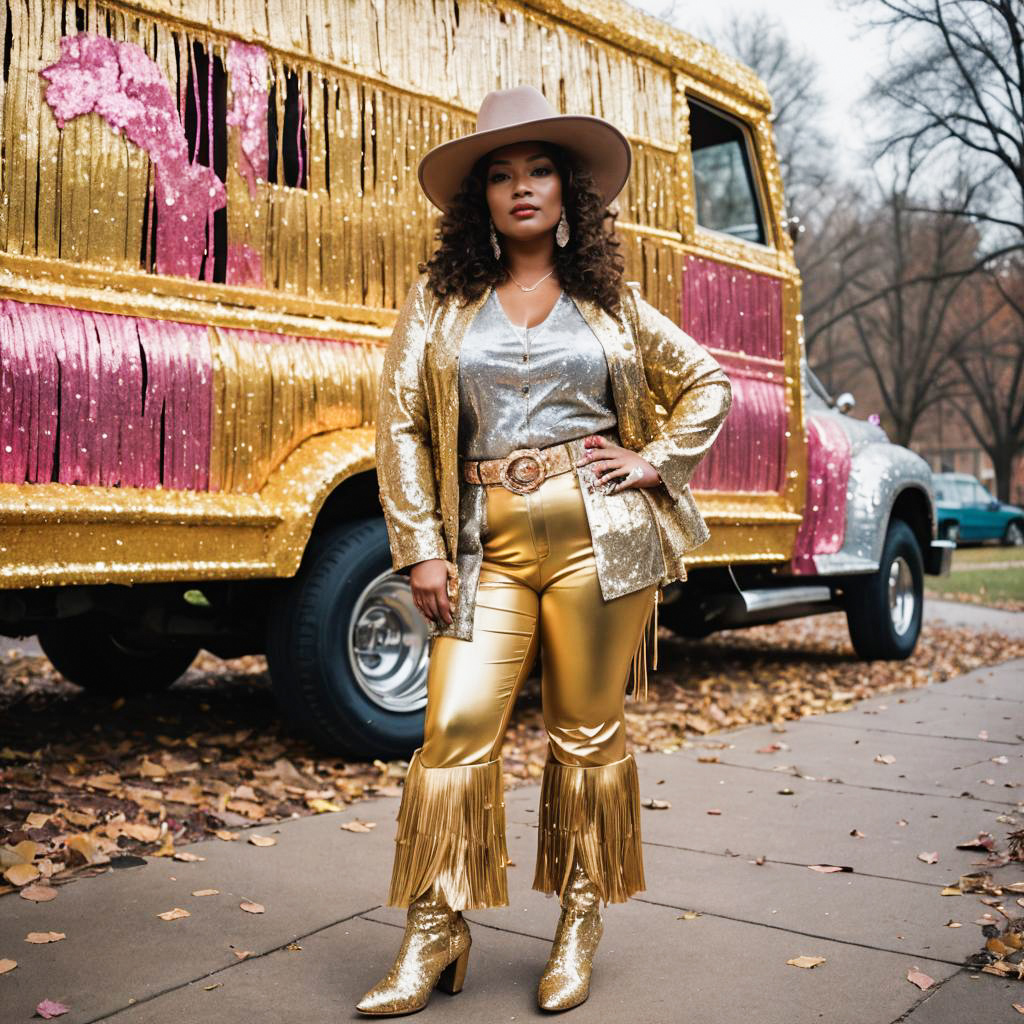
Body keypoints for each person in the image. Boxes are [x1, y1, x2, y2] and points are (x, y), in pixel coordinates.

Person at [357, 86, 732, 1016]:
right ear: (480, 198)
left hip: (599, 541)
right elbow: (400, 424)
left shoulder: (611, 303)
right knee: (452, 731)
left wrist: (655, 459)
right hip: (481, 541)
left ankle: (578, 921)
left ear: (569, 192)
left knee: (586, 734)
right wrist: (421, 549)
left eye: (538, 170)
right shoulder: (442, 302)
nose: (521, 187)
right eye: (501, 174)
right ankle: (435, 929)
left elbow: (709, 383)